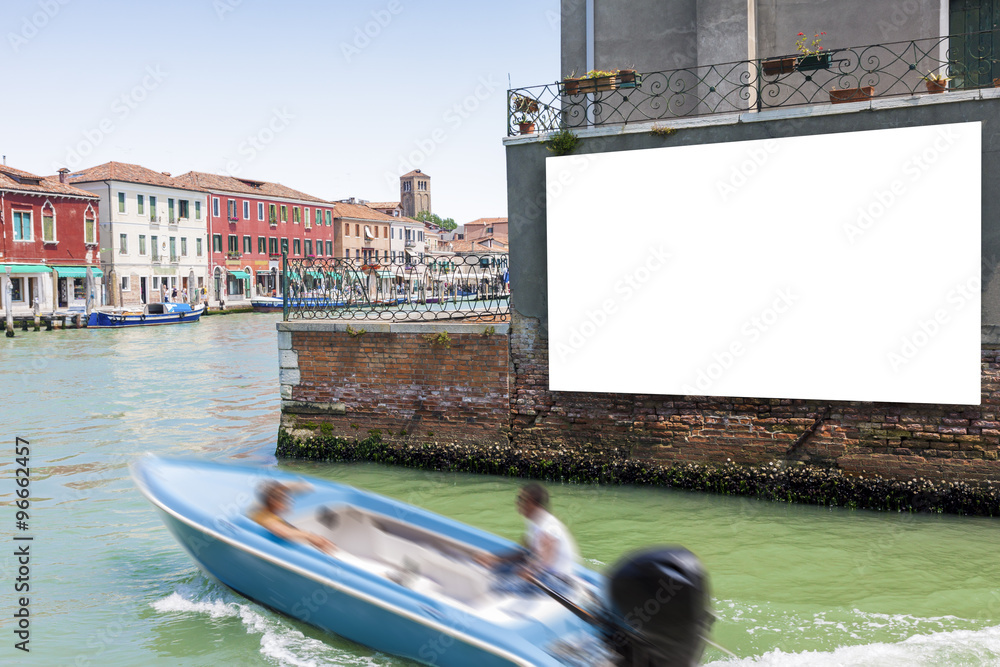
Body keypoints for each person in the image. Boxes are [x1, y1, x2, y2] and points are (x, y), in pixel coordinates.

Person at [478, 483, 580, 595]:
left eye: (520, 499)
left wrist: (531, 570)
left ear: (531, 502)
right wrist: (495, 559)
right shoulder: (534, 522)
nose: (517, 503)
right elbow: (522, 553)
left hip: (558, 582)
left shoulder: (548, 525)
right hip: (545, 575)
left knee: (498, 586)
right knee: (498, 570)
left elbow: (547, 556)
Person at [248, 480, 337, 555]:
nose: (288, 499)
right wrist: (311, 537)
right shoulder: (265, 517)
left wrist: (298, 485)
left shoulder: (267, 512)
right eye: (283, 497)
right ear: (273, 501)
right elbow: (282, 531)